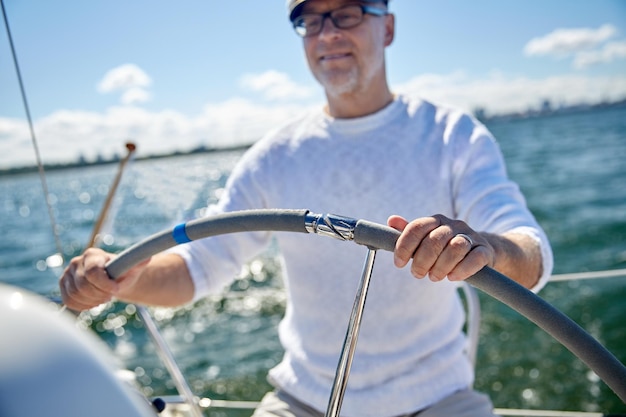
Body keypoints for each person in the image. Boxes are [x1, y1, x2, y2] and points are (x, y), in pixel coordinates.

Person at [60, 0, 553, 416]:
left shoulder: (454, 136)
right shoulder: (273, 157)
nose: (327, 33)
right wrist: (124, 278)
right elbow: (198, 269)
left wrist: (485, 247)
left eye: (346, 13)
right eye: (311, 19)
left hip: (438, 399)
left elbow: (529, 255)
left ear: (389, 26)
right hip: (301, 401)